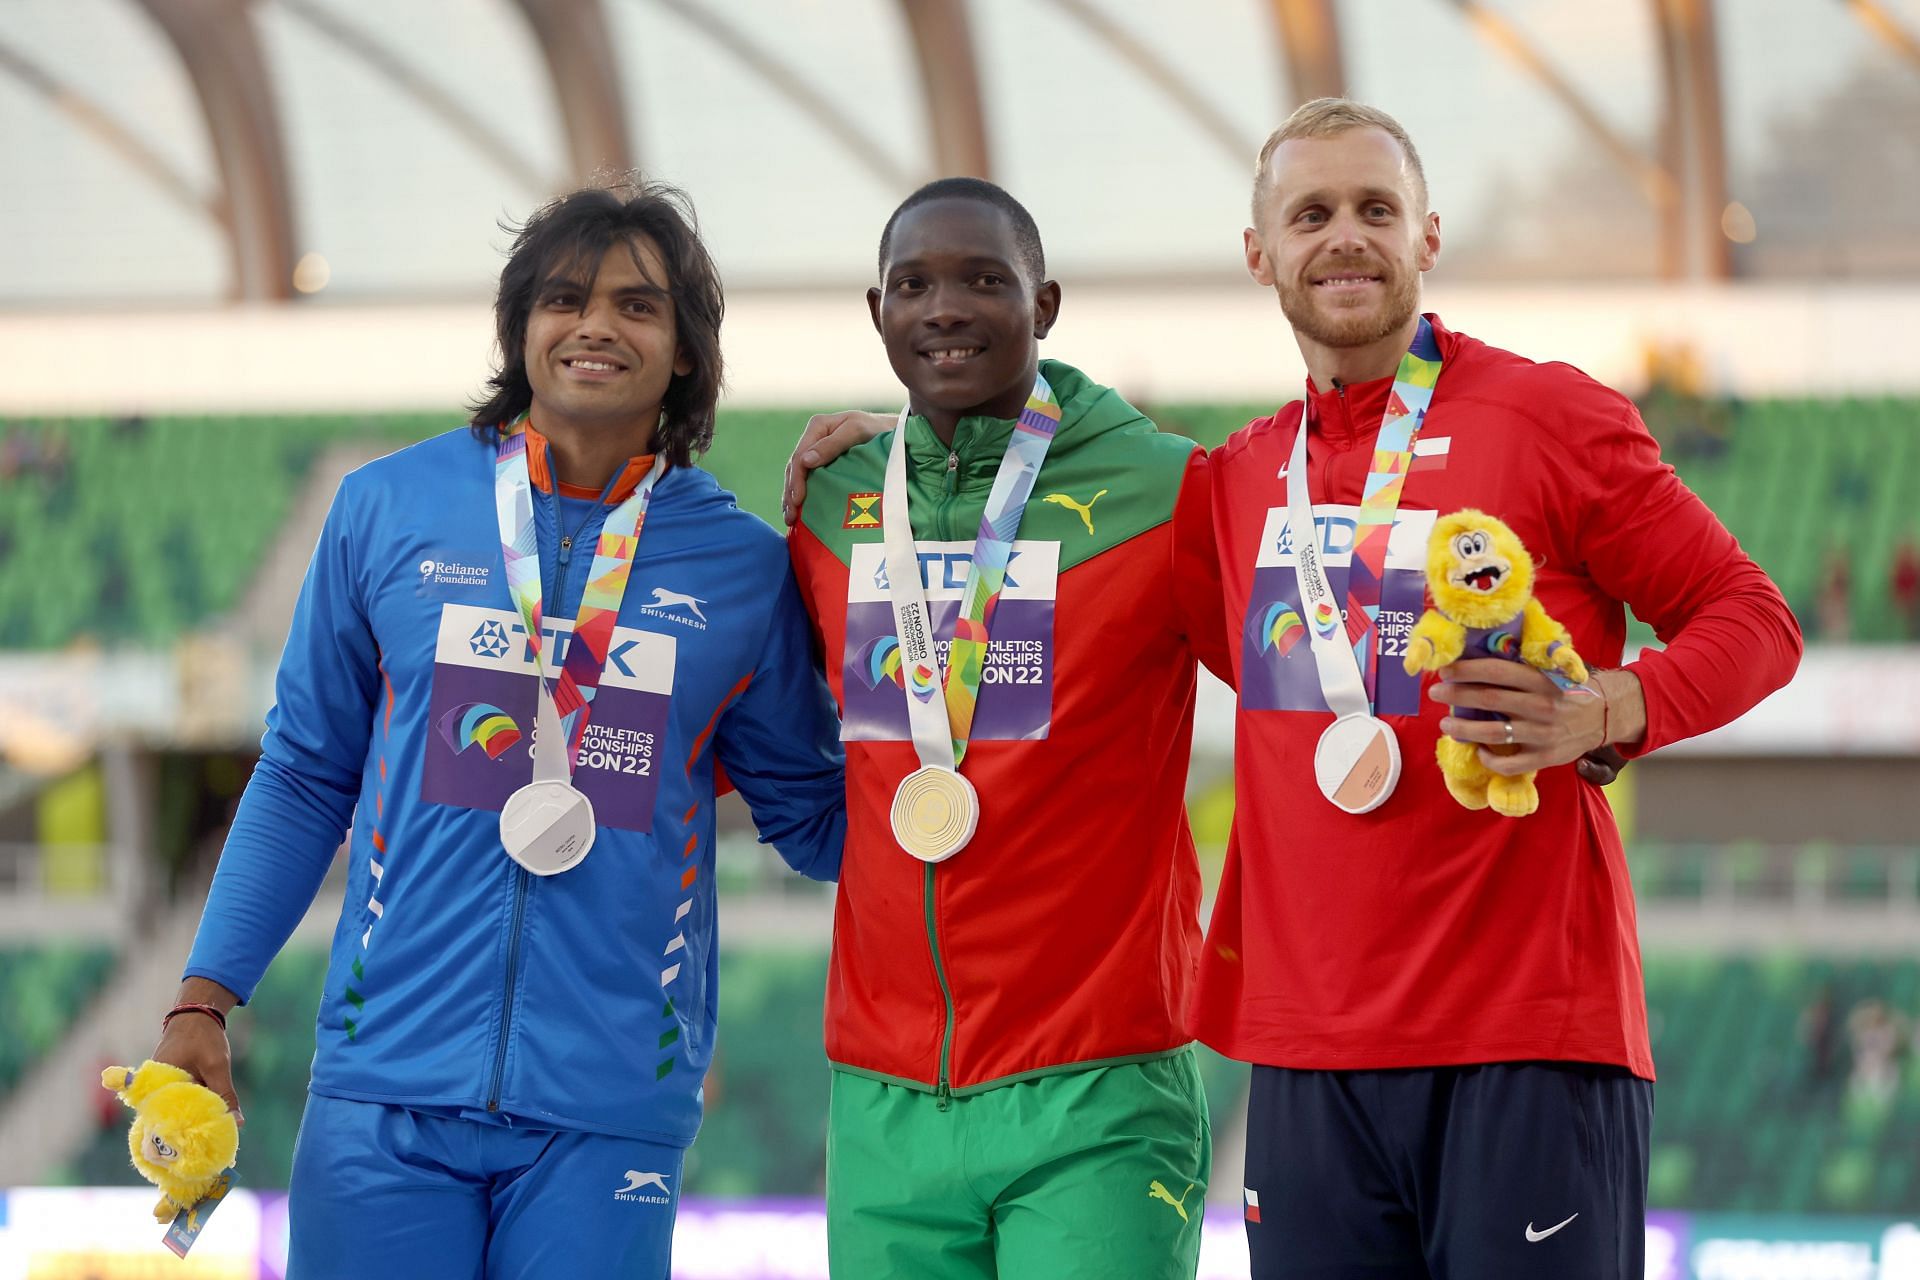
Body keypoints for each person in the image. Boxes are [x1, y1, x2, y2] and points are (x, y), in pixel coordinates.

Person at [152, 179, 845, 1277]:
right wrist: (204, 993)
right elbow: (301, 775)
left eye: (637, 304)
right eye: (564, 298)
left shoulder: (743, 567)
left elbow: (818, 823)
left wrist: (899, 524)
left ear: (684, 353)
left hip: (609, 1106)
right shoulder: (387, 507)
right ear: (520, 330)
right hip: (385, 1093)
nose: (595, 325)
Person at [1195, 99, 1801, 1278]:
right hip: (1309, 1056)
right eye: (1311, 213)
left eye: (1377, 208)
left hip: (1527, 1039)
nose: (1346, 238)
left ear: (1428, 234)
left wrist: (1604, 712)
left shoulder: (1547, 416)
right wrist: (898, 444)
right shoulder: (1236, 479)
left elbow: (1755, 619)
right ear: (1260, 253)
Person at [786, 178, 1224, 1279]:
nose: (946, 308)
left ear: (1047, 303)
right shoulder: (833, 502)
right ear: (875, 310)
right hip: (886, 1098)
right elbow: (770, 739)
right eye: (914, 284)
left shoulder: (1170, 493)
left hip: (1098, 1086)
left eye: (985, 279)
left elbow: (1301, 690)